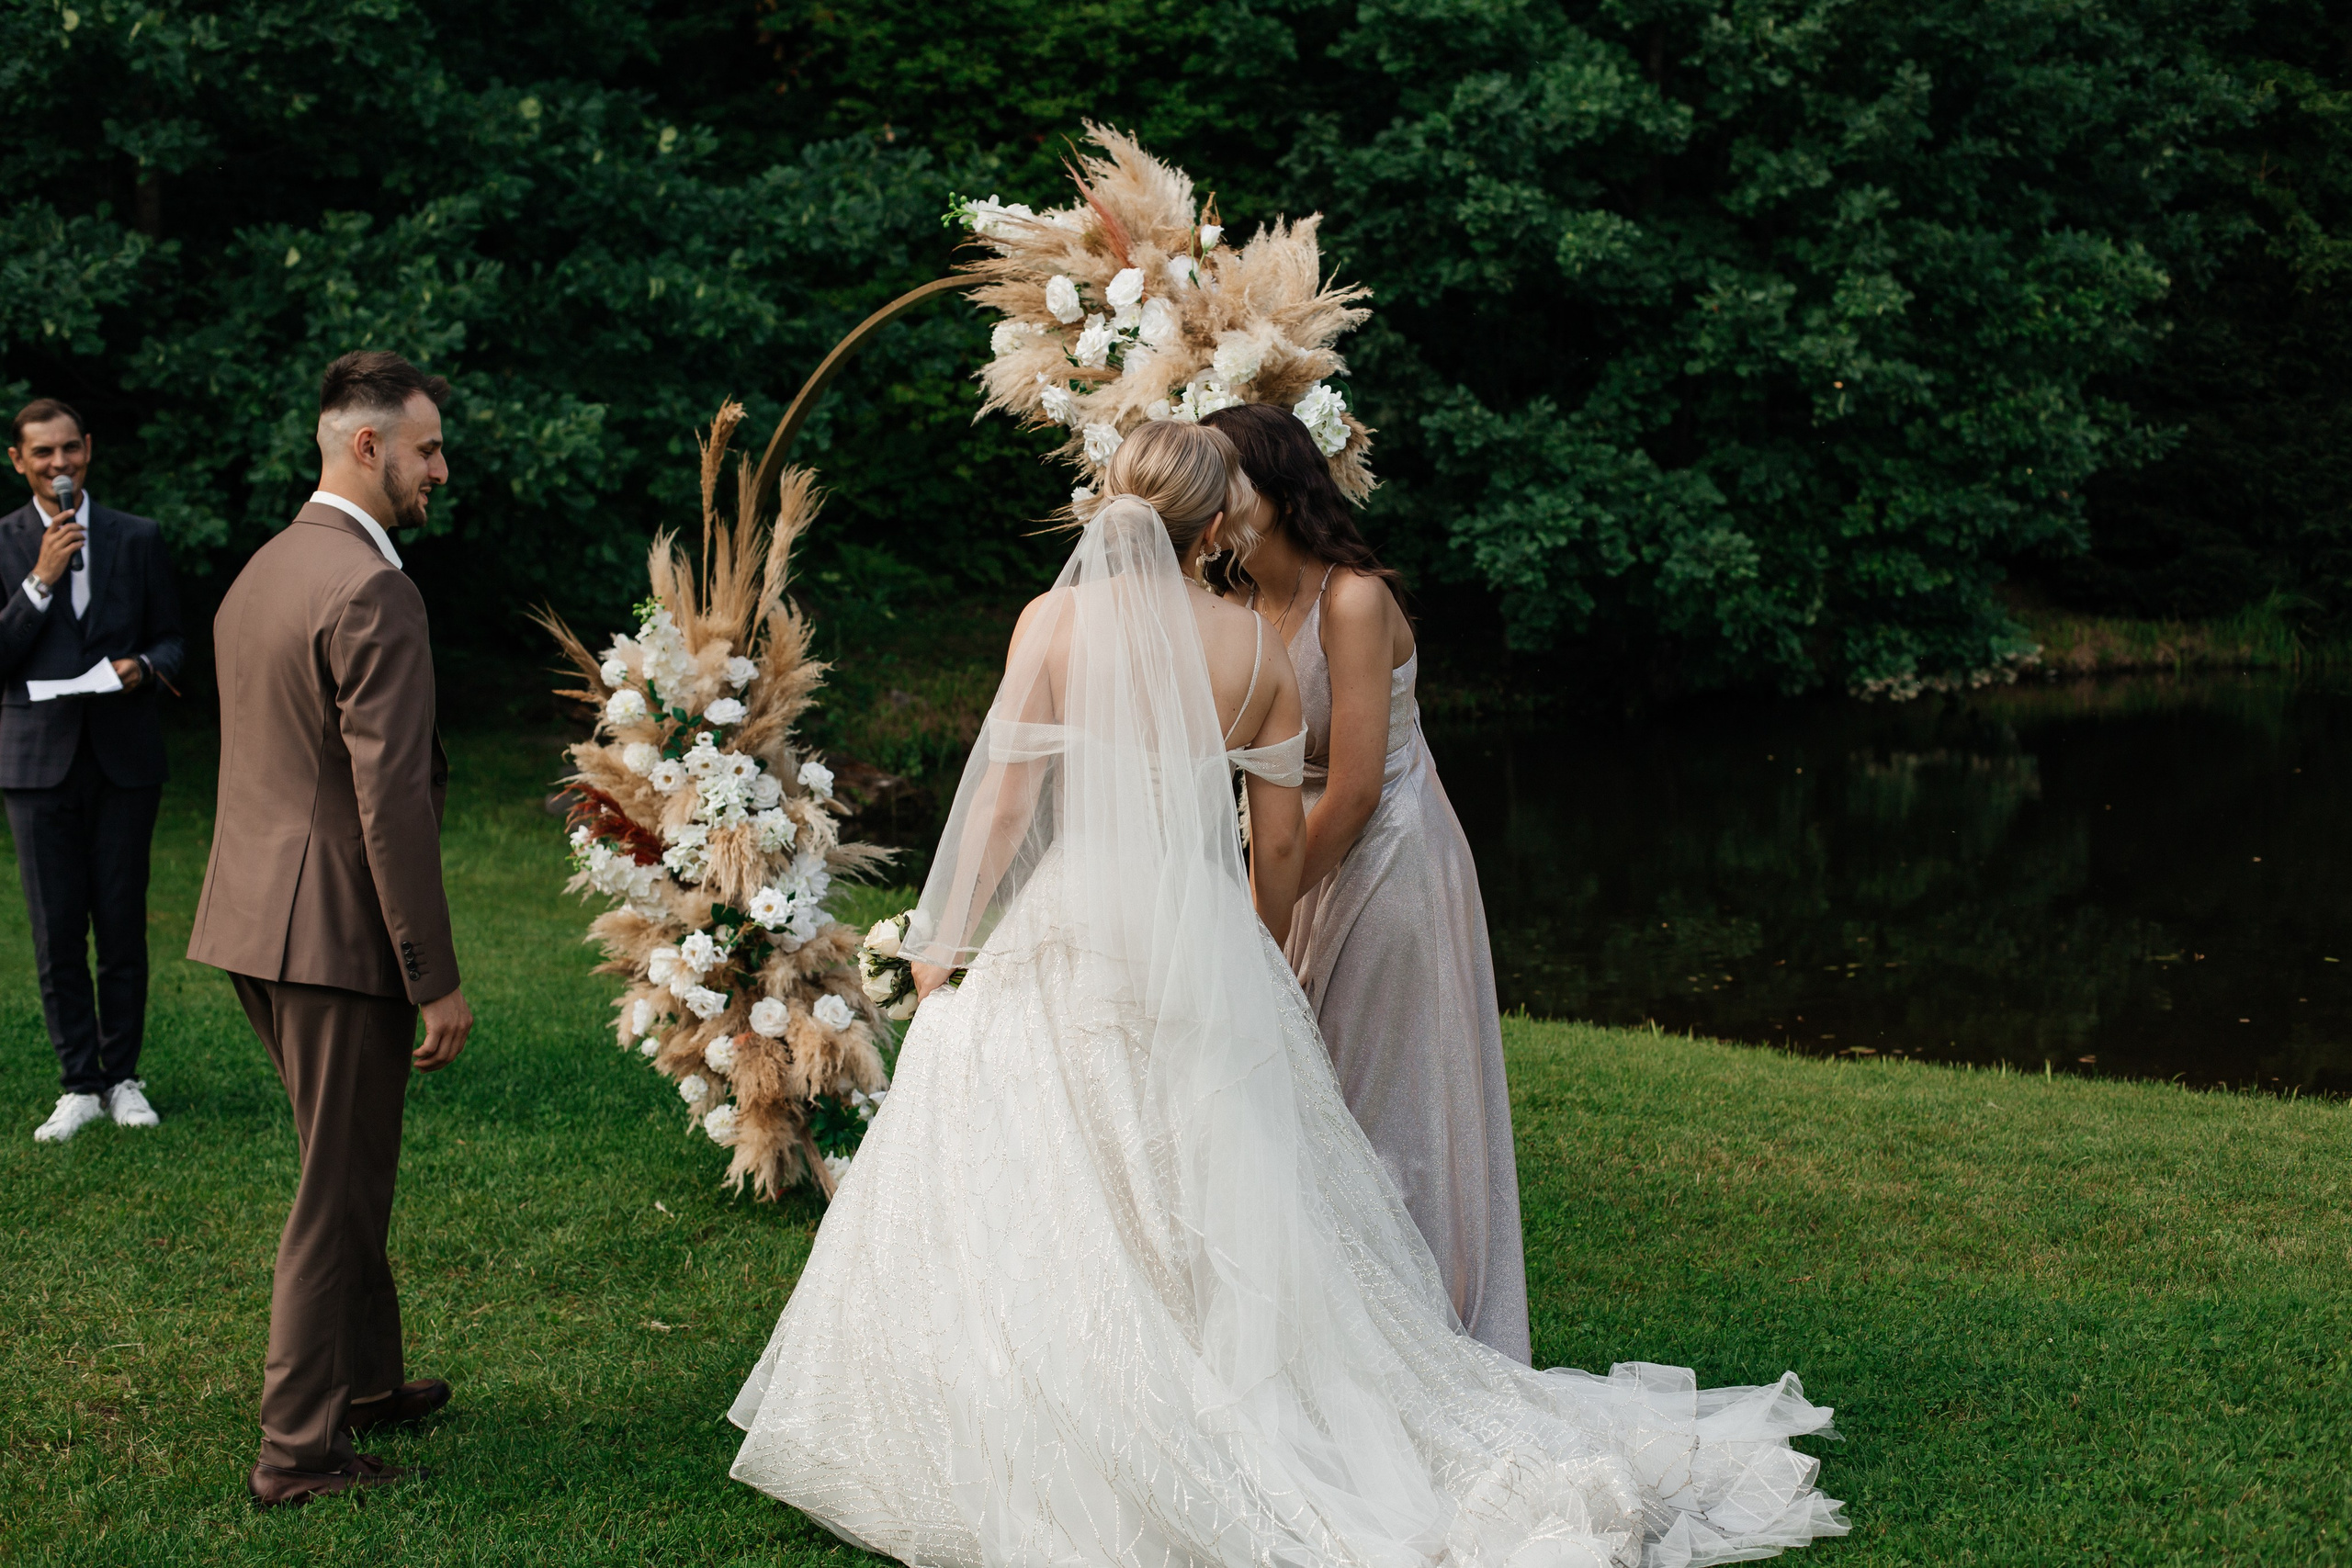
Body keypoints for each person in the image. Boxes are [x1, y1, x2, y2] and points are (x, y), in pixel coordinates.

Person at [726, 421, 1847, 1567]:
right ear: (1216, 525)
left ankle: (1042, 1399)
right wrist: (1246, 962)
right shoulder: (1254, 651)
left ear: (1111, 504)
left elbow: (1004, 807)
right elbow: (1271, 855)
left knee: (1046, 1164)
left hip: (1066, 925)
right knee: (1221, 1184)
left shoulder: (1048, 624)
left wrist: (941, 945)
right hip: (1199, 930)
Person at [187, 350, 475, 1508]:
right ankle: (297, 1453)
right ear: (366, 445)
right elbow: (388, 803)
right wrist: (432, 977)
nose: (439, 472)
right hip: (334, 936)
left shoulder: (262, 570)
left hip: (253, 923)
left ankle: (366, 1381)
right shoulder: (372, 588)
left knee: (340, 1170)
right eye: (427, 449)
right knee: (336, 1192)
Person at [1202, 400, 1530, 1362]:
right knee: (1309, 1098)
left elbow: (1347, 790)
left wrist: (1263, 906)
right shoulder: (1238, 604)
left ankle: (1424, 1335)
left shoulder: (1352, 599)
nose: (1211, 501)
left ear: (1277, 487)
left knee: (1383, 1096)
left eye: (1227, 479)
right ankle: (1332, 1343)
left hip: (1384, 860)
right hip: (1284, 856)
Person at [1, 399, 186, 1144]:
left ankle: (123, 1077)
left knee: (119, 922)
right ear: (18, 460)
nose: (59, 465)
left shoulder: (137, 538)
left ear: (89, 452)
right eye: (42, 453)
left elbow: (174, 639)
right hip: (34, 764)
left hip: (122, 758)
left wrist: (142, 666)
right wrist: (40, 581)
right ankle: (78, 1080)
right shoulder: (5, 543)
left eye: (70, 450)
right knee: (54, 930)